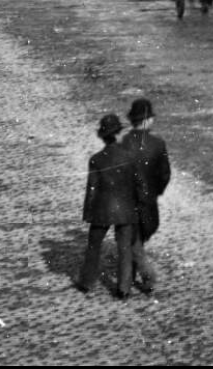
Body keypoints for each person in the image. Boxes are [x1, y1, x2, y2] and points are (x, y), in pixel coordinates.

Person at [76, 113, 141, 297]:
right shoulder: (130, 156)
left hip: (101, 210)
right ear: (118, 133)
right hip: (126, 209)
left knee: (93, 246)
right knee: (125, 248)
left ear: (103, 136)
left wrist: (88, 214)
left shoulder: (96, 159)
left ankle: (87, 282)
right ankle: (124, 288)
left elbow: (92, 189)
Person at [125, 98, 170, 295]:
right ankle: (140, 275)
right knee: (139, 237)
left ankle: (143, 275)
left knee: (132, 239)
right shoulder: (158, 144)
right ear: (147, 121)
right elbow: (165, 175)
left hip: (129, 200)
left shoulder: (125, 143)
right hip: (149, 202)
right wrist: (155, 191)